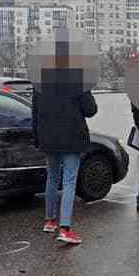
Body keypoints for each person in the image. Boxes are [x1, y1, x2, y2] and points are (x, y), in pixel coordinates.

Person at [33, 88, 98, 245]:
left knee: (52, 178)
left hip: (48, 138)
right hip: (71, 138)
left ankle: (50, 221)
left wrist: (37, 139)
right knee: (69, 181)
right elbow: (90, 110)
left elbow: (34, 114)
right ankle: (65, 228)